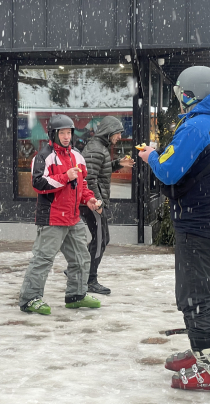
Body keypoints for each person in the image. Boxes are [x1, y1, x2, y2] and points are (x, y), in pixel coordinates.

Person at [138, 66, 210, 392]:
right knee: (196, 292)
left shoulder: (197, 127)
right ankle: (202, 353)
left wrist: (152, 156)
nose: (179, 99)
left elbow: (169, 172)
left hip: (198, 224)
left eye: (180, 92)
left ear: (190, 94)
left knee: (194, 297)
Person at [18, 115, 102, 315]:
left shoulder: (77, 156)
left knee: (81, 258)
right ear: (53, 134)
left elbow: (81, 185)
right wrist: (65, 177)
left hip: (73, 218)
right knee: (43, 259)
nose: (66, 137)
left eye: (69, 133)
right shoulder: (43, 156)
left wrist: (88, 199)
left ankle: (76, 296)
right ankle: (29, 299)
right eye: (62, 133)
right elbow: (38, 184)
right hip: (52, 218)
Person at [79, 116, 135, 295]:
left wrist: (119, 163)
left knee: (100, 238)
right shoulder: (96, 148)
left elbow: (100, 170)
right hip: (92, 203)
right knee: (102, 239)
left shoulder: (99, 147)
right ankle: (90, 280)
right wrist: (97, 202)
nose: (119, 136)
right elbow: (89, 178)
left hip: (92, 202)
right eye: (118, 133)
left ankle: (80, 268)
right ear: (109, 131)